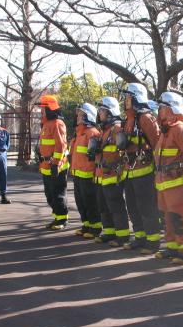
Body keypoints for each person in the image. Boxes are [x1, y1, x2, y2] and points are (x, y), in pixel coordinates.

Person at [121, 83, 162, 254]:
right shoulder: (128, 120)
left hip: (144, 171)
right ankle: (140, 238)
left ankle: (153, 242)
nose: (125, 100)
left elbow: (157, 144)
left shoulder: (146, 119)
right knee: (132, 206)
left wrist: (158, 168)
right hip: (129, 171)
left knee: (147, 208)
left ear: (137, 98)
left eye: (129, 97)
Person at [154, 91, 183, 263]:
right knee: (168, 218)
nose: (160, 111)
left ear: (171, 109)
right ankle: (172, 247)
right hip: (164, 183)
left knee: (180, 217)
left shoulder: (179, 129)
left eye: (163, 107)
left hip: (177, 183)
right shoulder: (165, 131)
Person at [93, 97, 130, 246]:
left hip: (113, 176)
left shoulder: (116, 129)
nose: (99, 113)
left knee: (115, 206)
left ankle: (122, 236)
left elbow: (122, 152)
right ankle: (109, 232)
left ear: (109, 112)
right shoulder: (104, 131)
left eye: (102, 110)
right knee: (103, 206)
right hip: (102, 176)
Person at [69, 103, 102, 238]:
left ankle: (95, 227)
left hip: (88, 175)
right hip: (78, 174)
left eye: (81, 114)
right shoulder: (79, 133)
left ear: (88, 116)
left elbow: (95, 156)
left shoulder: (92, 133)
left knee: (90, 201)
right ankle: (86, 225)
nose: (78, 117)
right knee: (80, 201)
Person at [38, 95, 69, 229]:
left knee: (58, 194)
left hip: (56, 166)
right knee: (50, 194)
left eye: (43, 109)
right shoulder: (46, 124)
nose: (41, 111)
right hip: (46, 166)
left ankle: (62, 219)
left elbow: (60, 146)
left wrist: (56, 164)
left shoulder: (57, 123)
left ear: (50, 109)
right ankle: (57, 217)